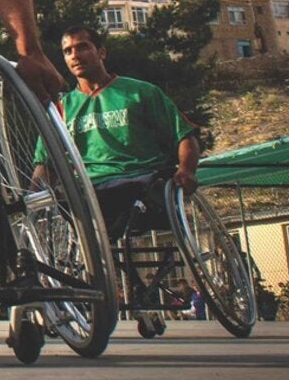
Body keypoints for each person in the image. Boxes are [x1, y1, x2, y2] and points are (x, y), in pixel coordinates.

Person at [54, 27, 200, 240]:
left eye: (82, 47)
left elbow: (184, 135)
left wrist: (187, 170)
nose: (74, 55)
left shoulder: (141, 92)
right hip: (88, 190)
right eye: (67, 51)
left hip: (140, 180)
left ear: (101, 52)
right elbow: (44, 163)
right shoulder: (61, 108)